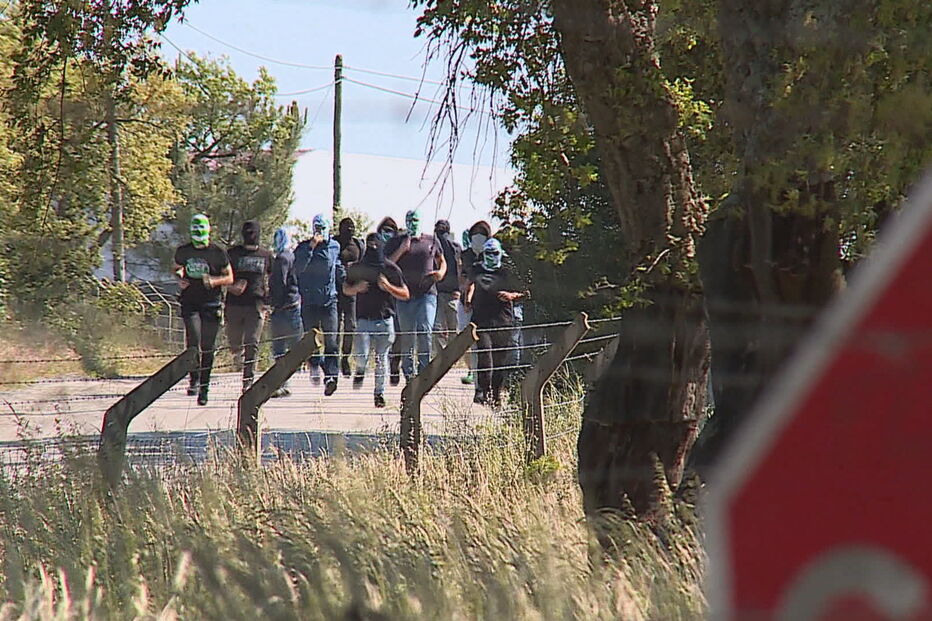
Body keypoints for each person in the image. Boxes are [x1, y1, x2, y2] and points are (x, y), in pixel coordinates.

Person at [342, 233, 410, 408]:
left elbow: (405, 293)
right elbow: (345, 289)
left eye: (376, 246)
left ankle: (379, 393)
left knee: (382, 359)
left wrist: (388, 286)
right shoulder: (357, 268)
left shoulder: (390, 268)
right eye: (370, 246)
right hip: (364, 320)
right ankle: (360, 369)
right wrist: (356, 288)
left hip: (385, 320)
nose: (373, 249)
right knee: (362, 355)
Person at [173, 213, 233, 406]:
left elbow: (230, 277)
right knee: (193, 340)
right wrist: (179, 276)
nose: (198, 232)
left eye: (202, 229)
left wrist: (214, 281)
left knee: (208, 347)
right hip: (190, 302)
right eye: (195, 229)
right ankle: (194, 380)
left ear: (208, 230)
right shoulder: (183, 250)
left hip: (211, 304)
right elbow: (177, 267)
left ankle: (204, 388)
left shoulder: (218, 252)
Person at [386, 209, 445, 381]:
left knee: (425, 328)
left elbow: (442, 261)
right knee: (407, 335)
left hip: (427, 294)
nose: (413, 223)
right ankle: (409, 373)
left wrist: (440, 273)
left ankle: (424, 370)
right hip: (404, 296)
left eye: (416, 220)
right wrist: (402, 249)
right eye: (410, 220)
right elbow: (387, 264)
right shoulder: (396, 241)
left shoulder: (431, 240)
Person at [466, 238, 526, 406]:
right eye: (488, 253)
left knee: (500, 361)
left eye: (494, 253)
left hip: (503, 320)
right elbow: (470, 283)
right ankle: (484, 391)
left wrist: (511, 295)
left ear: (500, 254)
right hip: (481, 319)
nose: (491, 256)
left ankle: (497, 394)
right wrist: (468, 299)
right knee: (485, 356)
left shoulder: (508, 271)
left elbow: (525, 291)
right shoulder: (477, 268)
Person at [294, 214, 345, 396]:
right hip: (309, 302)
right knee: (311, 341)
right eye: (317, 228)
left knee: (331, 341)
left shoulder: (335, 246)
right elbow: (297, 269)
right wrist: (311, 247)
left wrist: (345, 277)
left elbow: (336, 266)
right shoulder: (302, 248)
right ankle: (315, 364)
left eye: (323, 228)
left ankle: (331, 377)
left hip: (329, 300)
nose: (320, 232)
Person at [225, 220, 273, 392]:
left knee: (252, 342)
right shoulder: (232, 254)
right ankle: (237, 354)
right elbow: (221, 277)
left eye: (253, 232)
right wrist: (232, 287)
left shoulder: (266, 255)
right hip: (234, 304)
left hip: (256, 304)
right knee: (234, 341)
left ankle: (248, 381)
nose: (251, 235)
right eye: (248, 232)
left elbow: (273, 279)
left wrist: (269, 301)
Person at [269, 227, 302, 398]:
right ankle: (284, 382)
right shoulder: (292, 256)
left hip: (283, 308)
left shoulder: (282, 258)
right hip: (294, 304)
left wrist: (273, 302)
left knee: (279, 348)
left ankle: (282, 383)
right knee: (292, 345)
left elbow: (280, 284)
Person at [458, 220, 492, 385]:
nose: (478, 238)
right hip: (465, 303)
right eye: (476, 234)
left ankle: (480, 380)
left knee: (482, 343)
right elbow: (463, 277)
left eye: (482, 234)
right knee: (465, 341)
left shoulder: (492, 254)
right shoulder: (466, 255)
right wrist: (466, 295)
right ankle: (471, 369)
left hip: (485, 304)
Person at [375, 217, 404, 385]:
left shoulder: (398, 244)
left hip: (397, 292)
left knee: (399, 333)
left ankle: (395, 362)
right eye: (384, 230)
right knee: (387, 335)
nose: (387, 234)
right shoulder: (376, 247)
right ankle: (384, 366)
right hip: (381, 297)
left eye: (390, 230)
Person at [335, 217, 364, 377]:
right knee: (335, 327)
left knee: (350, 326)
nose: (350, 230)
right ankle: (333, 358)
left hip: (353, 291)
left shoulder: (358, 245)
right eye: (346, 228)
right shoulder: (334, 243)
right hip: (336, 291)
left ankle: (345, 358)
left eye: (352, 228)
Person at [432, 219, 462, 354]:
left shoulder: (455, 248)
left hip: (451, 293)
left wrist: (459, 290)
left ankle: (450, 357)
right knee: (439, 329)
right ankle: (442, 359)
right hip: (438, 293)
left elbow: (461, 270)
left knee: (452, 329)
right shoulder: (433, 247)